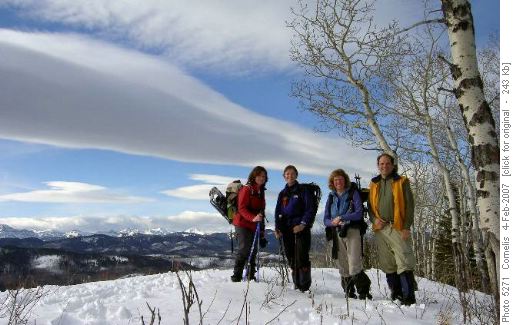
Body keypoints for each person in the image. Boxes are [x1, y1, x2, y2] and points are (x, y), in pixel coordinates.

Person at [368, 153, 416, 305]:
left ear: (393, 165)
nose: (384, 166)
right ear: (378, 166)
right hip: (380, 228)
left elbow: (409, 205)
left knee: (404, 261)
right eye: (381, 164)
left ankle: (409, 299)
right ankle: (396, 294)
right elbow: (369, 207)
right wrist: (375, 220)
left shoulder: (401, 181)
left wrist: (406, 226)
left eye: (387, 163)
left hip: (398, 226)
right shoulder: (374, 183)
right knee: (388, 262)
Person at [323, 169, 372, 300]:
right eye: (335, 180)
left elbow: (359, 213)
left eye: (340, 179)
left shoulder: (353, 193)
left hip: (352, 231)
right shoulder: (331, 196)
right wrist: (332, 223)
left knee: (354, 262)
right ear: (332, 182)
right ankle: (348, 292)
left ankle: (364, 293)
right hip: (336, 232)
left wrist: (342, 217)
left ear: (345, 180)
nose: (338, 182)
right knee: (343, 264)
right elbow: (325, 219)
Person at [274, 165, 315, 291]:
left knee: (302, 256)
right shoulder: (282, 193)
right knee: (290, 256)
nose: (289, 176)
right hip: (287, 229)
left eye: (292, 173)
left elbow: (310, 209)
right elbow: (278, 212)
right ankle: (297, 284)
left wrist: (302, 224)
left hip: (301, 228)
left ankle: (304, 286)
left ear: (296, 175)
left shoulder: (303, 190)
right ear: (284, 176)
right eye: (287, 174)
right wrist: (278, 228)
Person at [231, 166, 267, 282]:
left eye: (263, 176)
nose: (261, 178)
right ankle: (236, 277)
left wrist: (262, 233)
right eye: (259, 175)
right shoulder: (246, 189)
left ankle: (250, 276)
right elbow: (241, 208)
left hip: (254, 225)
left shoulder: (261, 192)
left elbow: (261, 213)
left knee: (253, 250)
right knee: (244, 249)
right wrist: (253, 218)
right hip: (242, 223)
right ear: (253, 176)